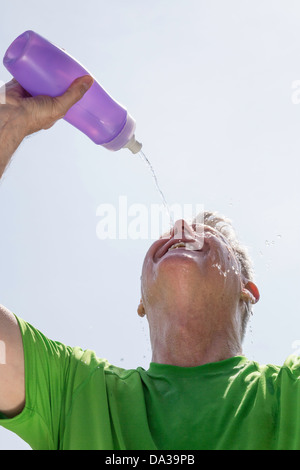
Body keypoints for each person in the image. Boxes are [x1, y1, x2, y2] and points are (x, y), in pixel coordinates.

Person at [0, 77, 298, 452]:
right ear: (141, 300)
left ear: (247, 291)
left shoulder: (290, 395)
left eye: (207, 234)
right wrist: (7, 126)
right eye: (172, 231)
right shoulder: (78, 392)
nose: (180, 228)